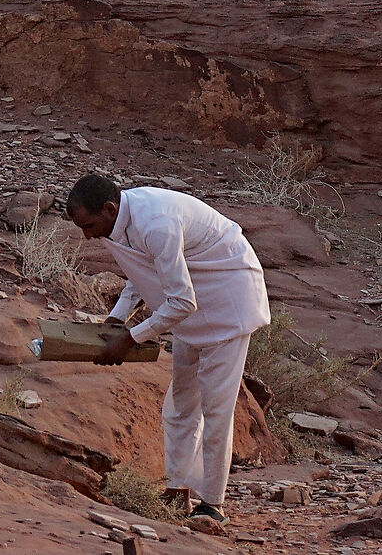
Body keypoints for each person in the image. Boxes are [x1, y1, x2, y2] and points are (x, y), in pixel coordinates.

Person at [66, 174, 270, 531]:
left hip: (228, 301)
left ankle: (213, 504)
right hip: (189, 308)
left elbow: (182, 301)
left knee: (216, 408)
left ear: (110, 209)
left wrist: (130, 338)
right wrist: (117, 317)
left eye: (89, 225)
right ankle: (178, 491)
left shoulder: (156, 222)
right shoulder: (122, 221)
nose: (88, 236)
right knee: (180, 405)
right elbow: (142, 272)